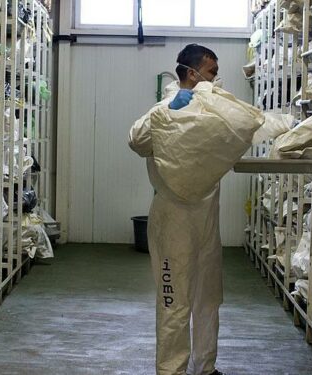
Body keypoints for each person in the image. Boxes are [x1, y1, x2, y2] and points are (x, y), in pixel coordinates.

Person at [128, 44, 225, 375]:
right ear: (192, 72)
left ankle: (205, 367)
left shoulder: (213, 109)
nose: (216, 78)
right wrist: (172, 107)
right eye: (211, 72)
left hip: (207, 216)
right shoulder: (166, 107)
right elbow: (137, 140)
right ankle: (172, 371)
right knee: (175, 300)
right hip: (174, 219)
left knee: (208, 299)